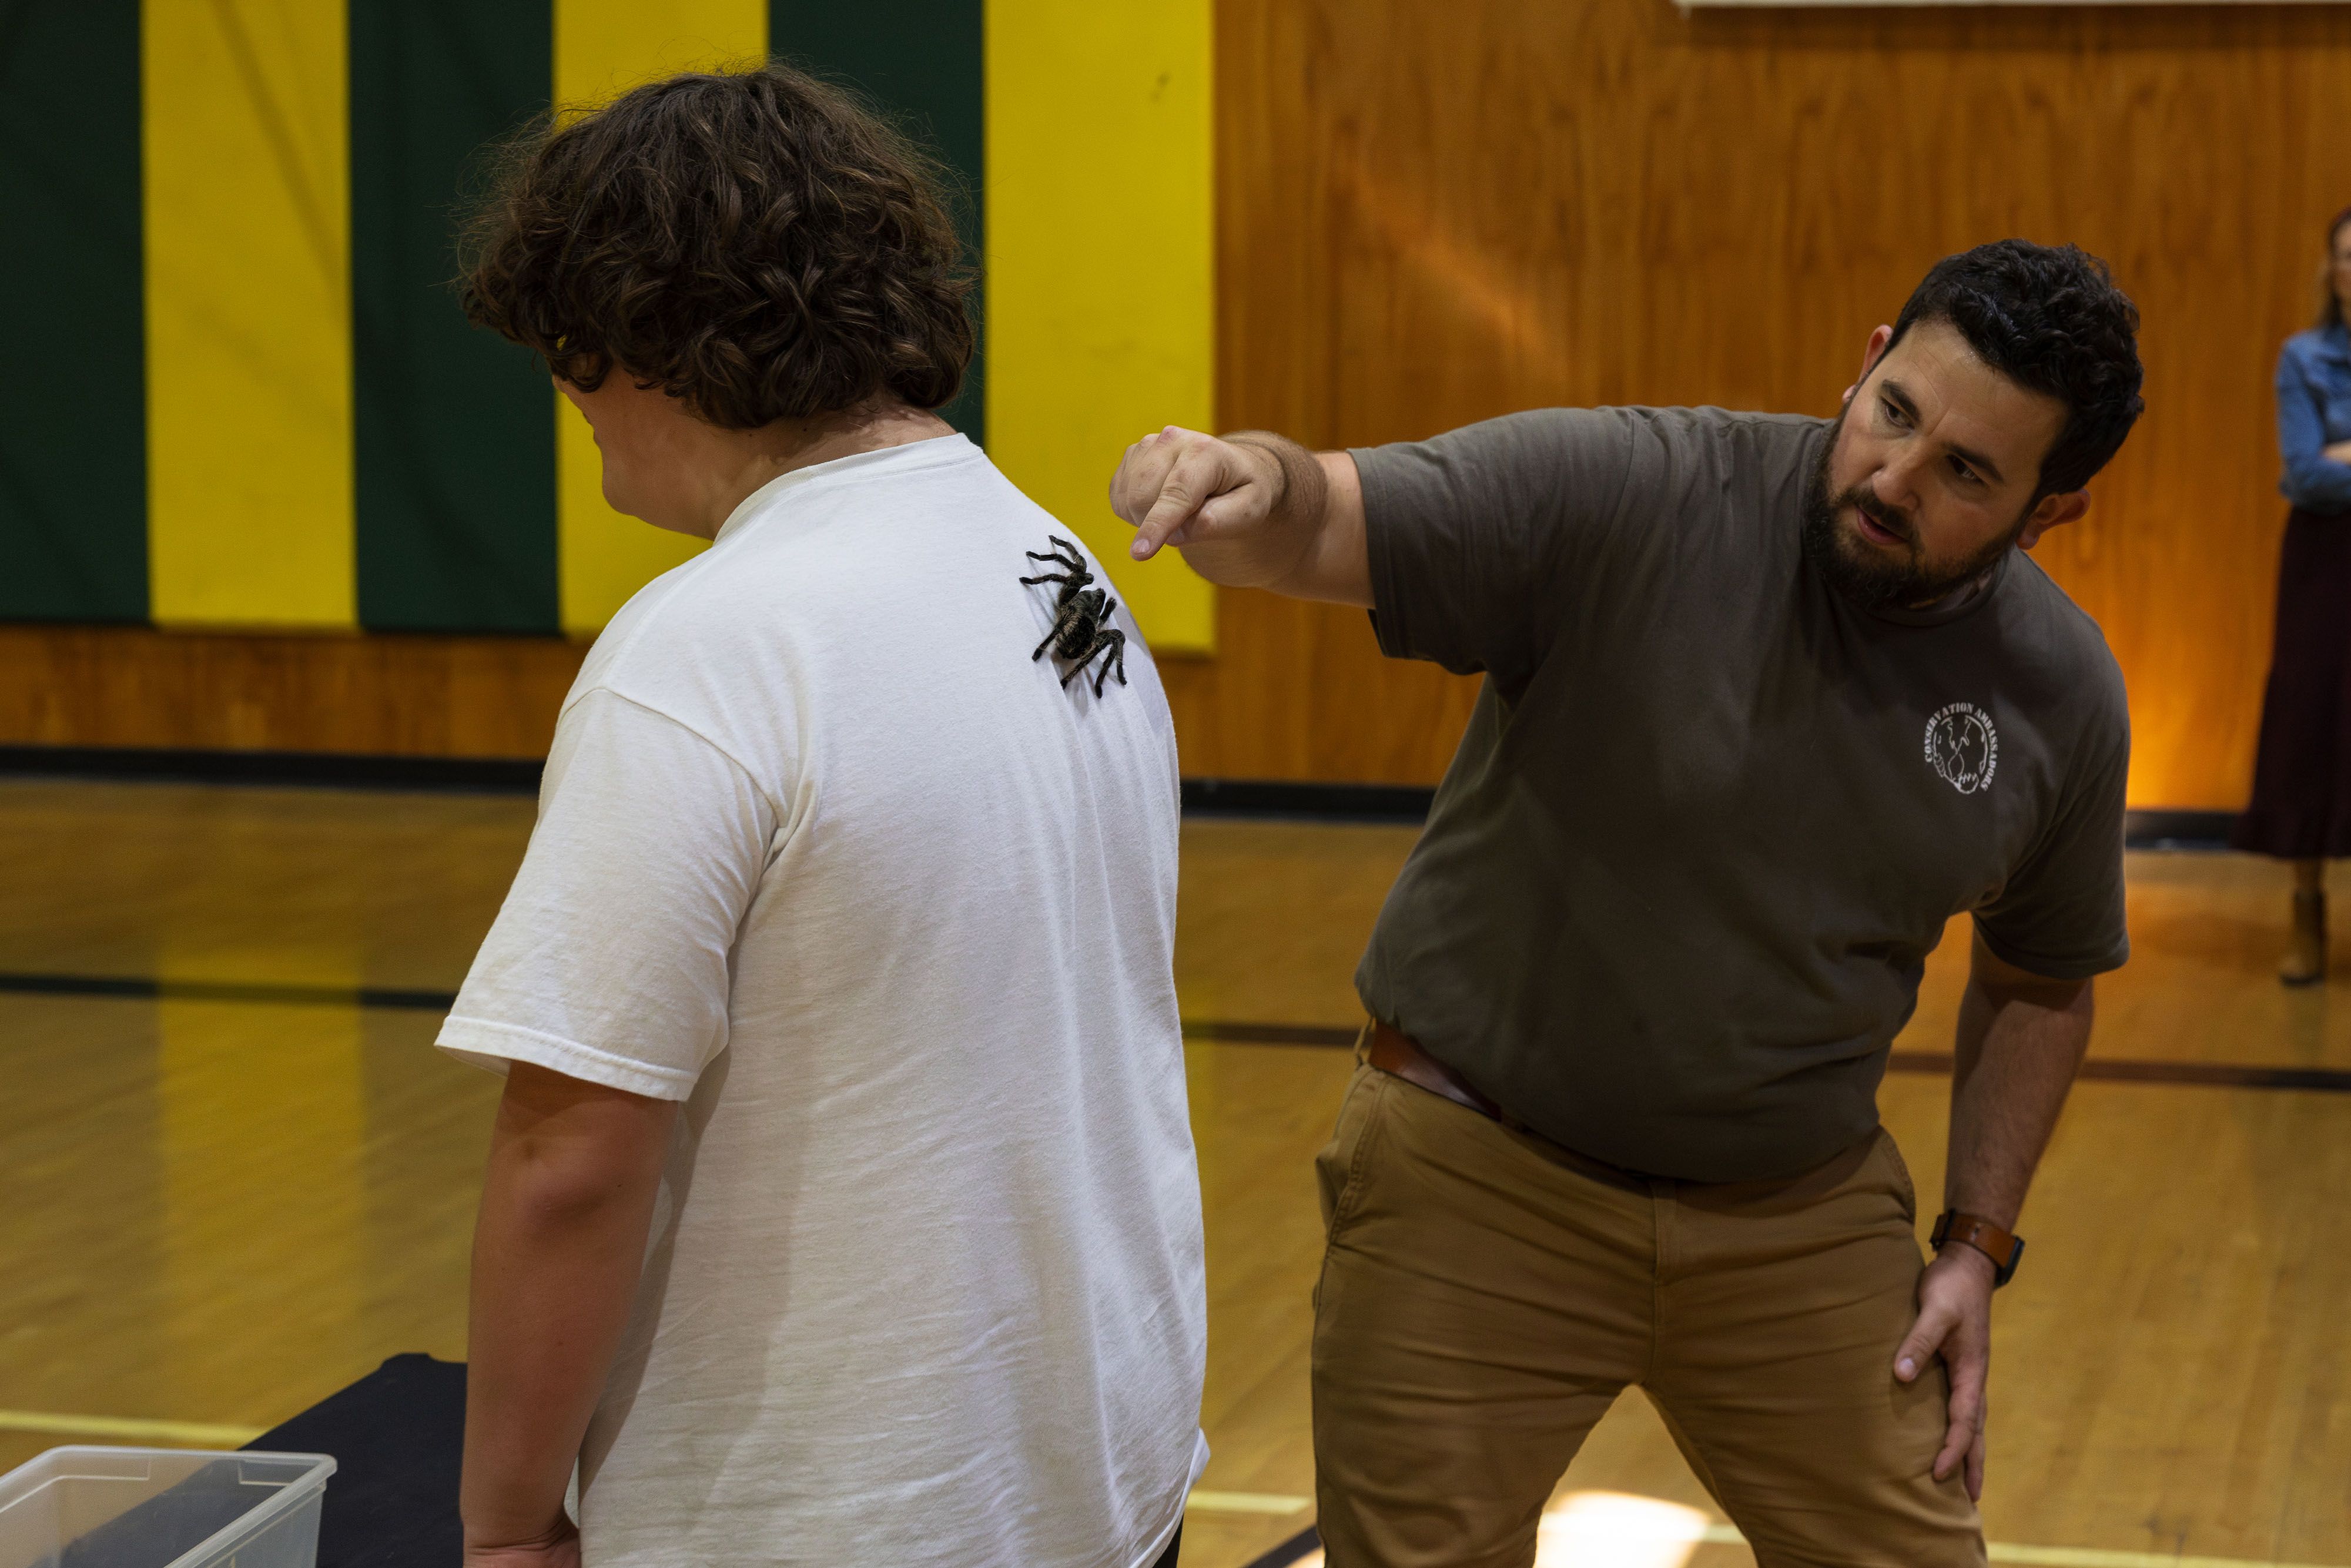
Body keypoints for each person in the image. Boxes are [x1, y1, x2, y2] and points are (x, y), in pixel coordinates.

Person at [1111, 240, 2143, 1566]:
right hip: (1479, 1174)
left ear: (2045, 510)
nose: (1892, 476)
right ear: (1870, 354)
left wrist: (1973, 1244)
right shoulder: (1641, 486)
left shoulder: (2056, 690)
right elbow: (1319, 514)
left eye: (1964, 471)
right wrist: (1242, 482)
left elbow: (2043, 972)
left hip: (1797, 1214)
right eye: (1893, 410)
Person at [442, 65, 1203, 1568]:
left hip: (830, 1513)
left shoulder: (708, 649)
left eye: (569, 349)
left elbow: (571, 1155)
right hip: (1098, 1475)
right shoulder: (1051, 563)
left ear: (638, 336)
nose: (569, 394)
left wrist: (505, 1522)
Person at [2232, 207, 2351, 983]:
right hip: (2325, 563)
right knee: (2311, 721)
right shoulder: (2302, 357)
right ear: (2330, 270)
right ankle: (2306, 915)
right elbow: (2306, 473)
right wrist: (2332, 461)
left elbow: (2329, 463)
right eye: (2346, 256)